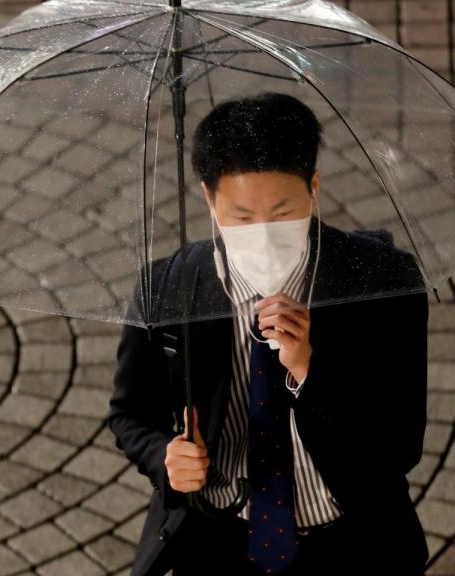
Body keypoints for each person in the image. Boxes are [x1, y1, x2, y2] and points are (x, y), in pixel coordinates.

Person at [106, 92, 430, 576]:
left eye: (282, 214)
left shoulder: (381, 284)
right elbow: (130, 413)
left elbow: (400, 446)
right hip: (216, 538)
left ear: (313, 188)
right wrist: (167, 457)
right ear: (209, 199)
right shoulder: (168, 290)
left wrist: (307, 371)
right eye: (241, 217)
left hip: (348, 543)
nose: (261, 235)